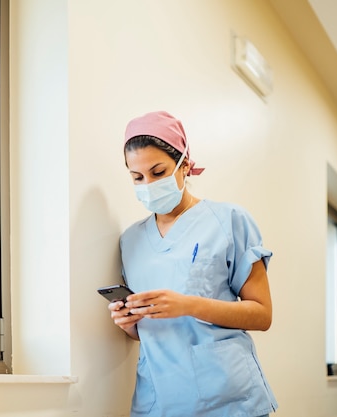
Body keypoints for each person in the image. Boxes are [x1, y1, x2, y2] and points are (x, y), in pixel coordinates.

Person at [109, 111, 278, 417]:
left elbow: (262, 314)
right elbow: (147, 330)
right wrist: (129, 324)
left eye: (158, 172)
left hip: (226, 399)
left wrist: (188, 305)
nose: (147, 184)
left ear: (184, 165)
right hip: (156, 400)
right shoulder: (130, 241)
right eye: (137, 177)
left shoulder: (229, 221)